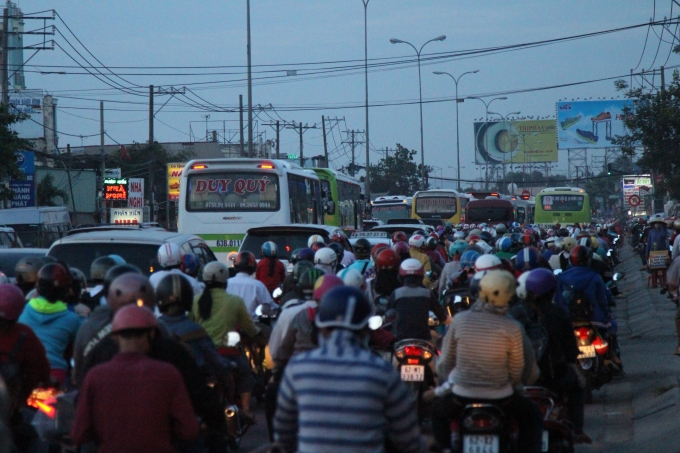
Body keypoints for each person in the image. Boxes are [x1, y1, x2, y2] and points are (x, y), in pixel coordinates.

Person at [274, 286, 425, 453]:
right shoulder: (382, 371)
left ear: (321, 327)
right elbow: (408, 439)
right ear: (364, 329)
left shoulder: (298, 368)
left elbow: (283, 434)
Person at [433, 270, 543, 453]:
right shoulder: (512, 327)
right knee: (533, 415)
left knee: (437, 411)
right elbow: (518, 370)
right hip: (502, 398)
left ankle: (445, 448)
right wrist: (513, 385)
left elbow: (445, 363)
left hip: (461, 395)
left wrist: (448, 384)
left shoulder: (459, 321)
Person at [70, 305, 199, 452]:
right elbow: (189, 431)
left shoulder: (95, 376)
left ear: (115, 337)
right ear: (151, 334)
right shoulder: (168, 374)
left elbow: (79, 434)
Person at [512, 268, 591, 444]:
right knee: (578, 386)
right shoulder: (558, 313)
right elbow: (570, 349)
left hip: (521, 378)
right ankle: (577, 430)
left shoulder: (515, 313)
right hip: (554, 377)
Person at [0, 284, 50, 451]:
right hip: (13, 413)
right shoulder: (24, 335)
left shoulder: (25, 336)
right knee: (44, 433)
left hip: (12, 412)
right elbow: (41, 373)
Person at [18, 263, 82, 386]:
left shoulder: (24, 310)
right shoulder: (72, 319)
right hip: (57, 375)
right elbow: (77, 351)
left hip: (26, 374)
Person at [386, 258, 449, 341]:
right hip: (424, 337)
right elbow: (443, 317)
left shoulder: (396, 293)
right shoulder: (427, 293)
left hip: (400, 338)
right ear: (421, 276)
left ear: (400, 276)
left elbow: (388, 317)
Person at [228, 251, 277, 325]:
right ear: (253, 267)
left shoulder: (226, 283)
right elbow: (269, 307)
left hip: (229, 326)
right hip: (252, 325)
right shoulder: (258, 285)